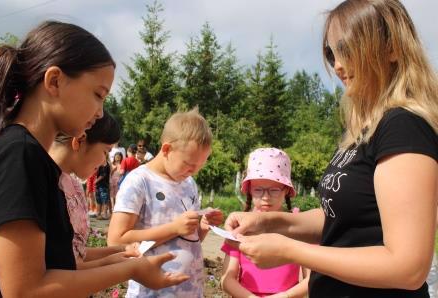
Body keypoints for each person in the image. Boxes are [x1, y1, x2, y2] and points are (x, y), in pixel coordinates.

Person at [224, 1, 438, 297]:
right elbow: (342, 216)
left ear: (392, 48)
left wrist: (291, 251)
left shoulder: (404, 126)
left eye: (347, 49)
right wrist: (269, 222)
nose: (337, 64)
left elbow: (407, 266)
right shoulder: (364, 130)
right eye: (331, 53)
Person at [0, 20, 188, 297]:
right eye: (98, 95)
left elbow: (56, 266)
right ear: (55, 81)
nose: (99, 113)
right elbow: (24, 289)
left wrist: (113, 261)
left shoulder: (35, 158)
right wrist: (130, 270)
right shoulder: (20, 154)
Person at [108, 108, 224, 298]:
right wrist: (174, 228)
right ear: (167, 149)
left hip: (191, 291)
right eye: (189, 164)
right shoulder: (139, 181)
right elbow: (116, 240)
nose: (193, 172)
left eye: (199, 167)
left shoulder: (188, 183)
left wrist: (202, 226)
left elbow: (187, 239)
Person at [49, 110, 139, 269]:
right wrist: (112, 264)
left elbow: (76, 253)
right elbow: (52, 268)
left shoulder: (73, 185)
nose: (105, 163)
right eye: (106, 152)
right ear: (80, 141)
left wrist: (121, 250)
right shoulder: (39, 182)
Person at [221, 148, 309, 298]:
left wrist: (285, 296)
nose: (266, 197)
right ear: (249, 190)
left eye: (274, 190)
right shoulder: (239, 228)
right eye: (258, 190)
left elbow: (310, 279)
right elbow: (227, 279)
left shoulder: (300, 227)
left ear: (286, 190)